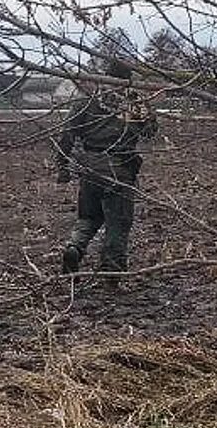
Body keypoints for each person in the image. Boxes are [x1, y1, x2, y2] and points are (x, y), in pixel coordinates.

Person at [56, 60, 157, 277]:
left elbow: (66, 135)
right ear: (127, 81)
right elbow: (150, 131)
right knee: (118, 224)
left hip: (89, 168)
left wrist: (62, 166)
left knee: (88, 217)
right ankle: (112, 272)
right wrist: (145, 105)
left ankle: (74, 248)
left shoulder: (86, 101)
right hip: (119, 170)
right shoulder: (133, 105)